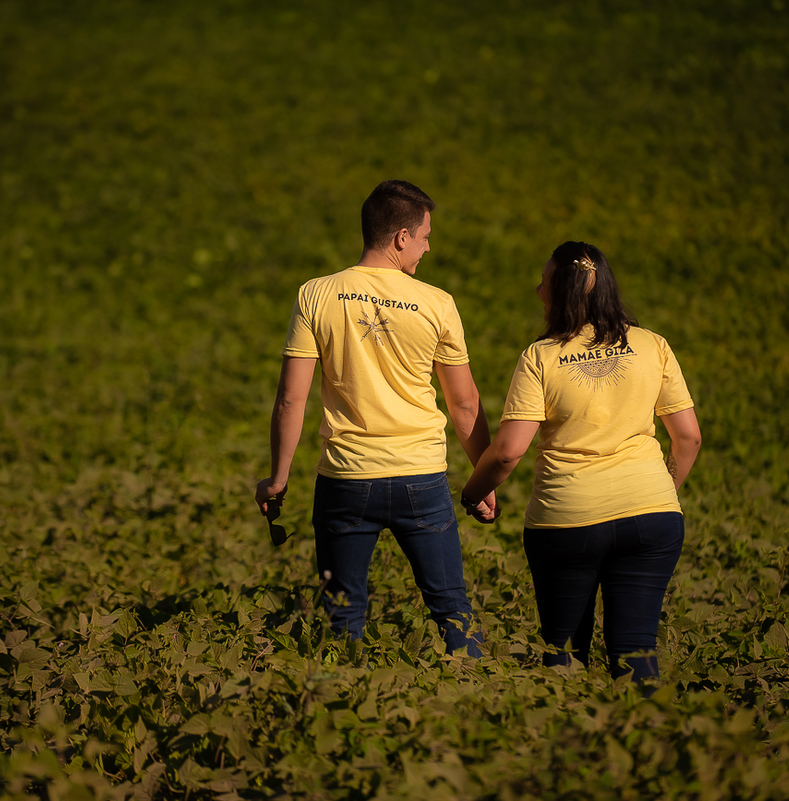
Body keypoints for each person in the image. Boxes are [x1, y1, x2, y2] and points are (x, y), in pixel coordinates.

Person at [255, 180, 498, 657]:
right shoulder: (436, 302)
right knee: (452, 607)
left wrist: (278, 479)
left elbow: (290, 399)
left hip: (345, 479)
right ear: (401, 236)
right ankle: (474, 700)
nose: (429, 246)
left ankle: (342, 705)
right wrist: (484, 476)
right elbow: (464, 404)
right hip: (422, 478)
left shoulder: (316, 294)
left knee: (343, 613)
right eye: (426, 235)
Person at [461, 241, 701, 683]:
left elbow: (509, 451)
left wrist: (472, 493)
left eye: (545, 282)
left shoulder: (541, 357)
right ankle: (644, 742)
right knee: (636, 656)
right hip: (652, 514)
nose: (537, 290)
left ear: (563, 294)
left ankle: (569, 742)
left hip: (567, 522)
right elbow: (688, 437)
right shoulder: (653, 345)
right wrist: (658, 492)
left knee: (564, 657)